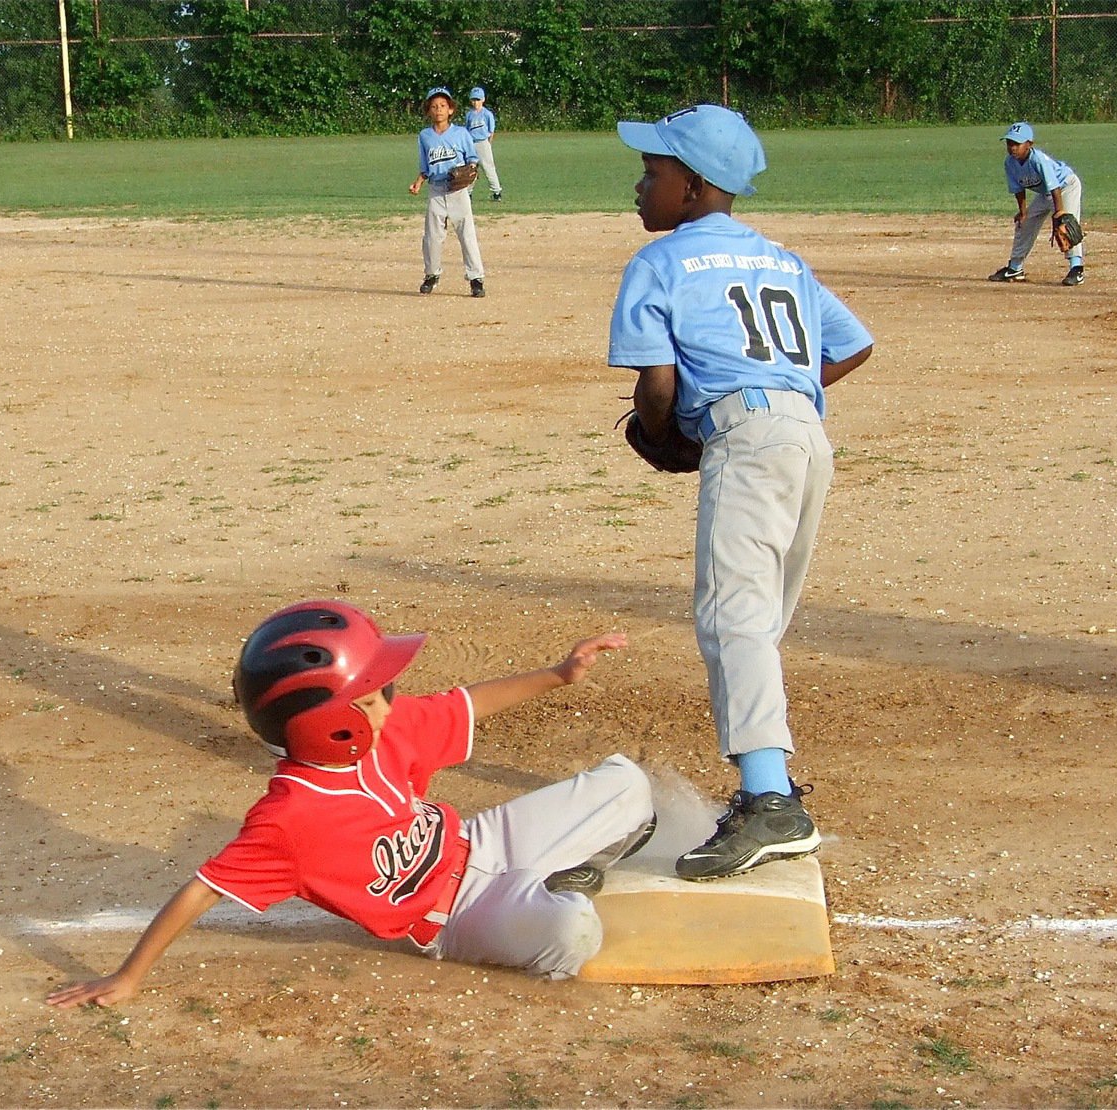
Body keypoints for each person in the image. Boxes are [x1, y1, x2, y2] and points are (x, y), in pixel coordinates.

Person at [45, 599, 655, 1007]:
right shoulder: (287, 821)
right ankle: (560, 891)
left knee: (627, 784)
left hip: (486, 840)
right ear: (333, 725)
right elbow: (201, 889)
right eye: (373, 693)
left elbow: (464, 703)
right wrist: (128, 977)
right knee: (572, 931)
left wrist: (557, 674)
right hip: (459, 919)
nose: (389, 696)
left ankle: (567, 873)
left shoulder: (384, 729)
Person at [607, 105, 873, 883]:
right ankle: (770, 779)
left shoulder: (657, 266)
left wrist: (663, 436)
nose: (640, 184)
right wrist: (781, 388)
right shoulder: (782, 260)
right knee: (759, 619)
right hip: (804, 440)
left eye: (653, 173)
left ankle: (769, 804)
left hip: (748, 446)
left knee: (734, 619)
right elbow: (852, 345)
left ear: (692, 188)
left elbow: (656, 386)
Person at [408, 86, 486, 297]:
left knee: (467, 234)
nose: (439, 109)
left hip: (458, 191)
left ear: (451, 109)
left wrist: (469, 174)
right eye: (434, 106)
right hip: (436, 190)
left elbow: (472, 159)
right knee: (432, 237)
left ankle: (476, 278)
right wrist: (418, 182)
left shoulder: (461, 133)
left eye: (443, 105)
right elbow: (425, 167)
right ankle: (431, 274)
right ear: (428, 111)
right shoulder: (425, 136)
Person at [988, 121, 1085, 287]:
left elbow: (1054, 186)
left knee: (1067, 225)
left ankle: (1077, 268)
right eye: (1009, 143)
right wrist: (1023, 211)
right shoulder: (1009, 163)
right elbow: (1018, 189)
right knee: (1024, 224)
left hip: (1065, 186)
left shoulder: (1038, 160)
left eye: (1017, 144)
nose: (1012, 148)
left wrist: (1060, 212)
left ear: (1029, 144)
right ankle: (1015, 268)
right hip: (1046, 192)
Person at [465, 86, 503, 201]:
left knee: (488, 168)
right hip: (471, 144)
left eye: (478, 99)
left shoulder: (487, 114)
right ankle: (467, 193)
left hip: (482, 143)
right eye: (474, 100)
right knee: (470, 169)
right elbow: (467, 130)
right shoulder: (469, 114)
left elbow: (491, 131)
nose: (476, 102)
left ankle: (496, 192)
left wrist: (488, 144)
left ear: (483, 100)